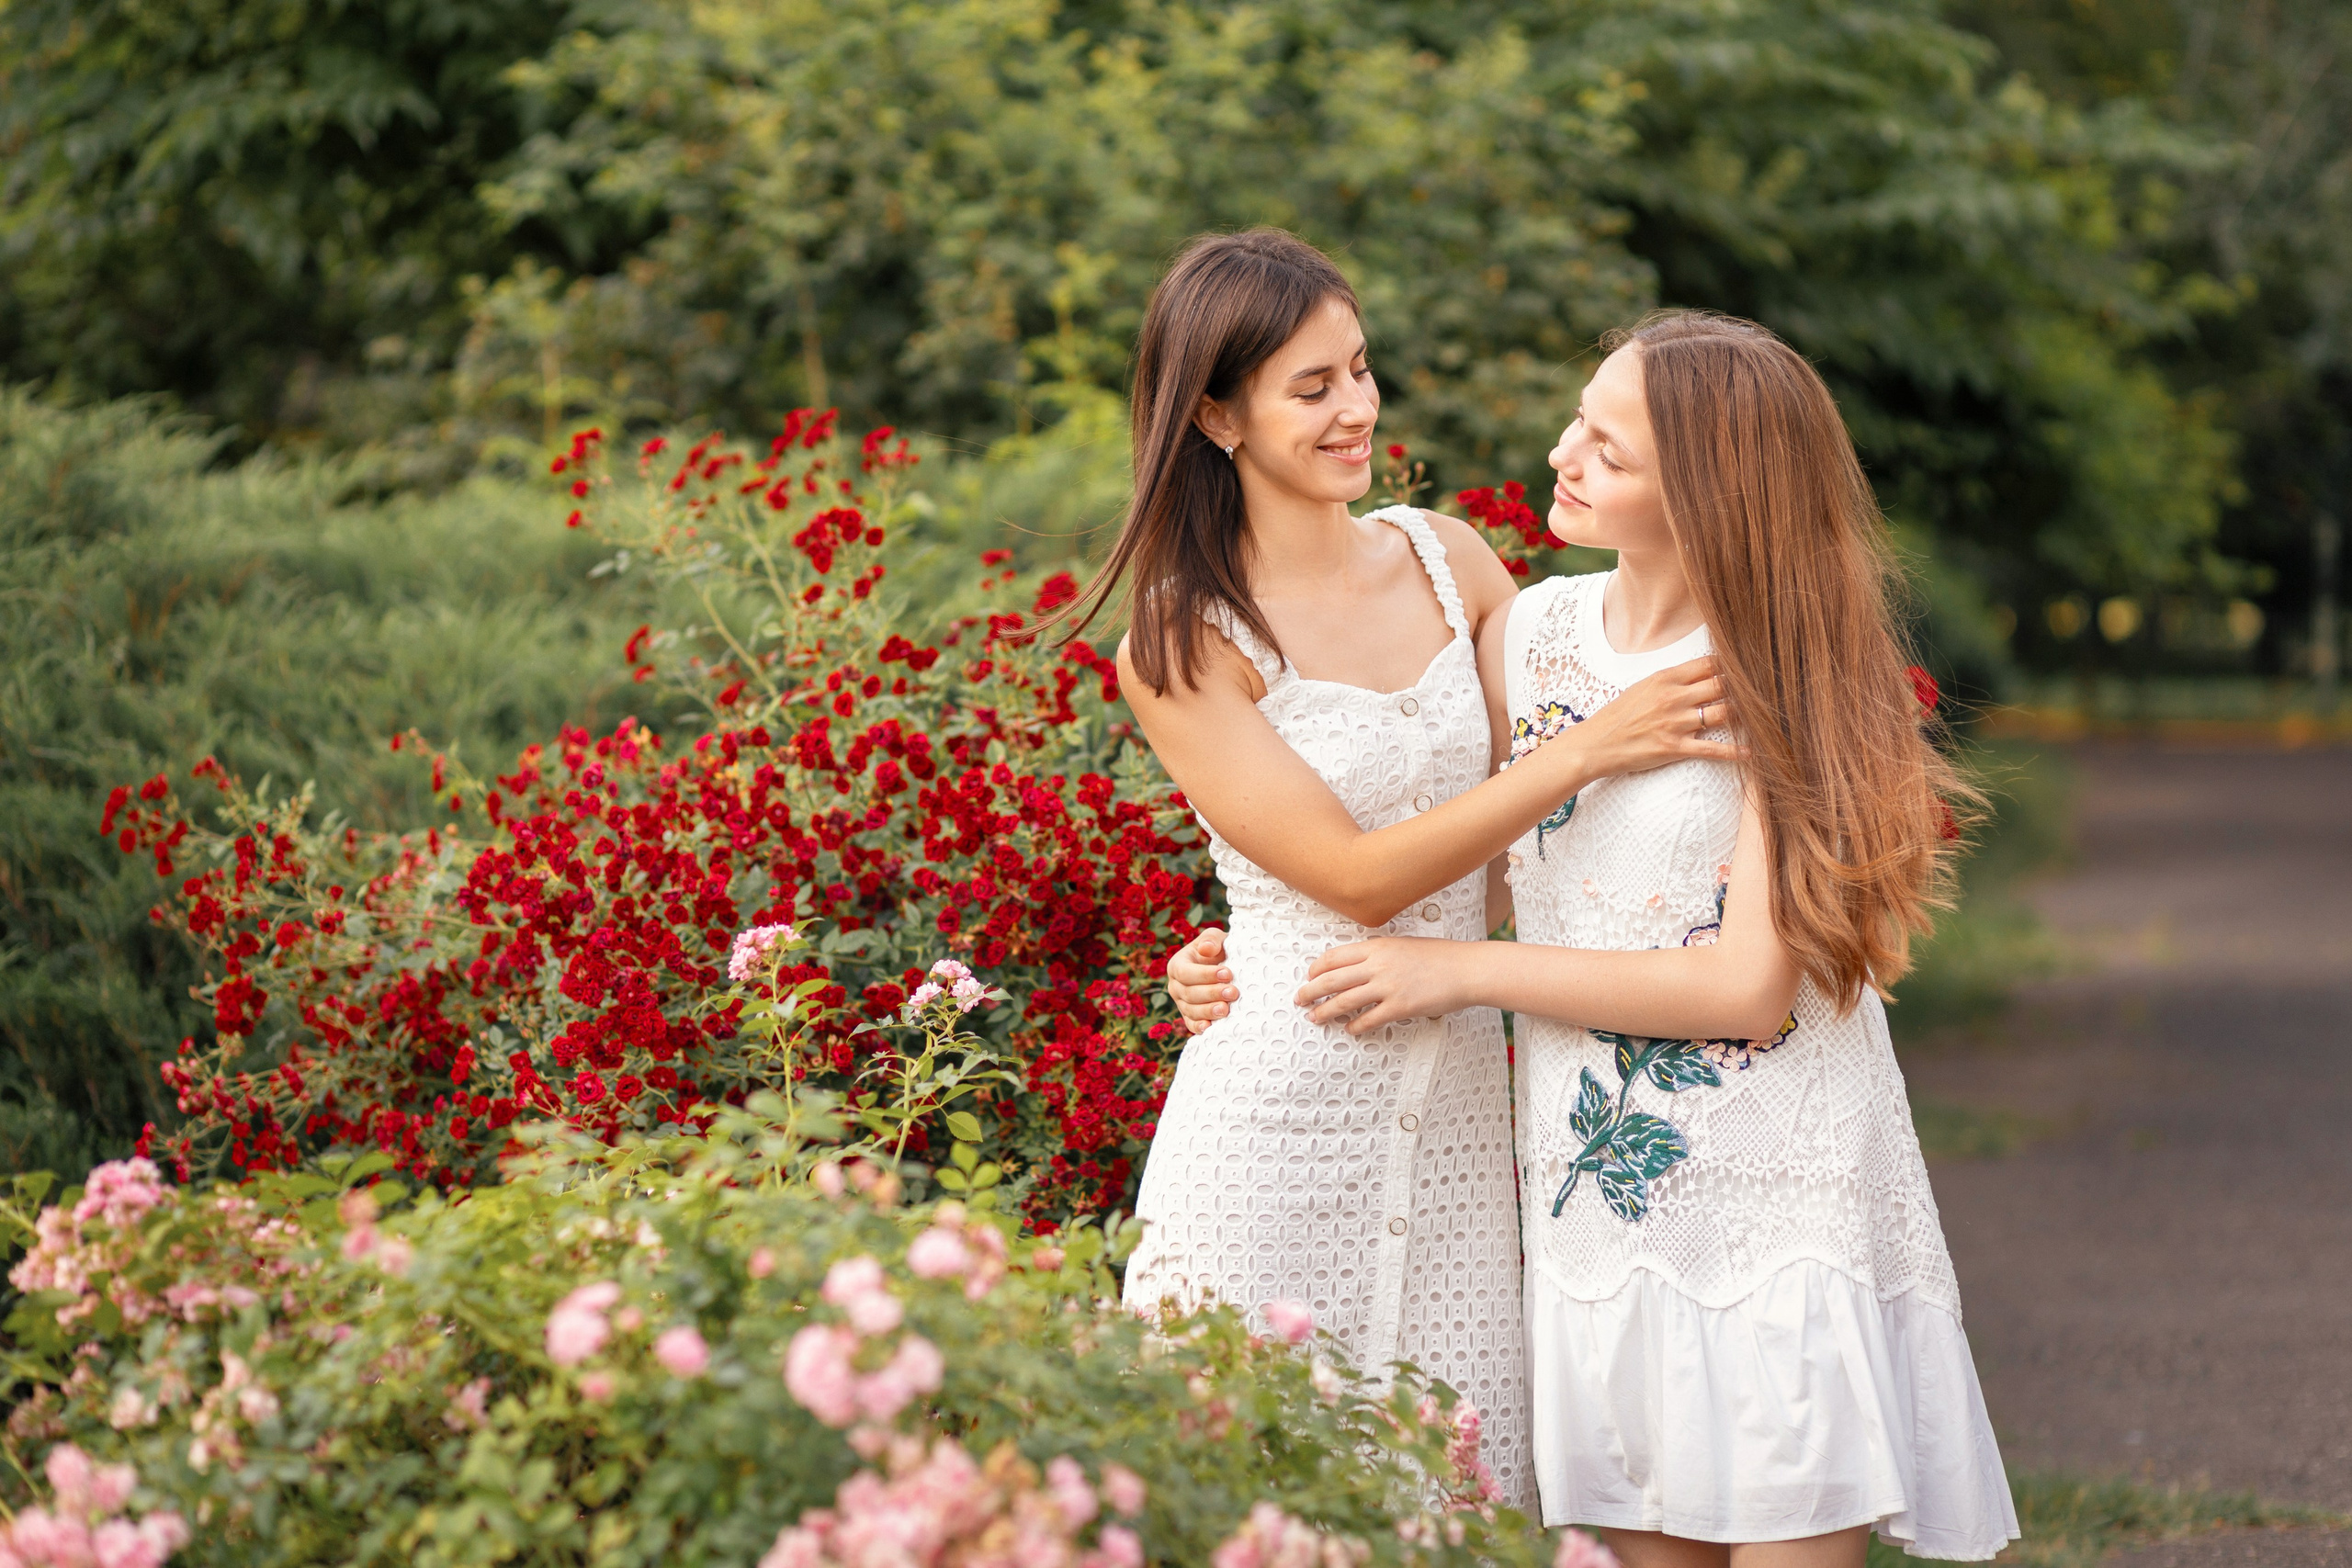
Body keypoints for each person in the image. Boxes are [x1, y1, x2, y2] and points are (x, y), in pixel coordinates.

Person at [1179, 311, 2018, 1564]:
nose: (1564, 455)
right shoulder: (1532, 635)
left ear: (1707, 491)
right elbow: (1505, 867)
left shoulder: (1780, 665)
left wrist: (1456, 974)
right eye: (1581, 420)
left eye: (1608, 450)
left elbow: (1745, 989)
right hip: (1593, 1220)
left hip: (1772, 1206)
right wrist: (1247, 948)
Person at [1057, 230, 1736, 1510]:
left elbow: (1562, 789)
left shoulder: (1453, 559)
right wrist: (1586, 751)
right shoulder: (1180, 640)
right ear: (1216, 414)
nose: (1357, 408)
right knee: (1242, 1493)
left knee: (1450, 1493)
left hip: (1469, 1115)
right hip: (1273, 1113)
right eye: (1312, 388)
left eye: (1360, 369)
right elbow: (1357, 877)